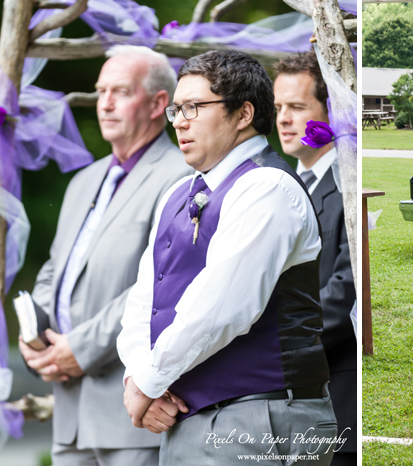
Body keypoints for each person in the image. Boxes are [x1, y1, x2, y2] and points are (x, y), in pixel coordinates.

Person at [117, 50, 337, 465]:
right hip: (191, 417)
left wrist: (146, 386)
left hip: (261, 417)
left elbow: (222, 309)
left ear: (243, 114)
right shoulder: (176, 195)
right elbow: (143, 301)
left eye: (194, 107)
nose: (180, 121)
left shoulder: (268, 188)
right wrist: (138, 379)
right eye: (176, 109)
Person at [19, 45, 193, 466]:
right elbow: (54, 268)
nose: (106, 103)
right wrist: (36, 336)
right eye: (101, 91)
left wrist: (80, 348)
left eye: (121, 91)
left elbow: (159, 283)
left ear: (157, 104)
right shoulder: (84, 179)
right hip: (70, 412)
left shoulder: (181, 177)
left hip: (129, 412)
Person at [274, 51, 357, 466]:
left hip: (338, 394)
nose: (284, 119)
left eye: (297, 107)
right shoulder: (281, 187)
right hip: (281, 406)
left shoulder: (348, 184)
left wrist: (274, 348)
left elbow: (346, 288)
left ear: (332, 111)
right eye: (278, 108)